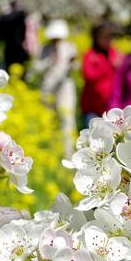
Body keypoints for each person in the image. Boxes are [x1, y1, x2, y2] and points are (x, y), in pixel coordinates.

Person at [34, 19, 78, 157]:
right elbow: (37, 67)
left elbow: (75, 67)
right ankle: (50, 151)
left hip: (65, 86)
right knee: (48, 119)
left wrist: (72, 64)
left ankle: (68, 153)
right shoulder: (44, 48)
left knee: (66, 118)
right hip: (48, 86)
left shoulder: (70, 47)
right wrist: (48, 62)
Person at [80, 21, 120, 128]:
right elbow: (89, 75)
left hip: (111, 108)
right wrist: (108, 64)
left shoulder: (114, 53)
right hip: (92, 108)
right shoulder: (90, 55)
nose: (108, 40)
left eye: (110, 37)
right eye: (105, 37)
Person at [0, 0, 29, 70]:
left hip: (10, 42)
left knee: (9, 60)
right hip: (16, 43)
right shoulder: (20, 15)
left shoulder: (6, 17)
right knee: (15, 61)